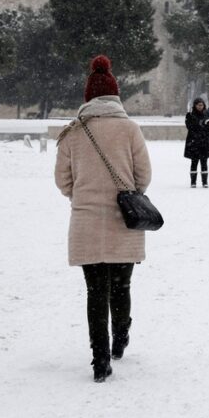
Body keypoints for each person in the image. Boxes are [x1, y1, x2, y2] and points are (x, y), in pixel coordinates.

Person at [54, 54, 151, 383]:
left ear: (88, 98)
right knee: (121, 286)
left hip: (86, 223)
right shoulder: (130, 129)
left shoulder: (73, 133)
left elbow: (62, 181)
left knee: (96, 291)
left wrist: (81, 196)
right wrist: (125, 191)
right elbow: (144, 176)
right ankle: (120, 340)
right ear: (115, 95)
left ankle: (99, 360)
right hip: (125, 220)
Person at [184, 98, 209, 187]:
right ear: (195, 105)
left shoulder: (207, 114)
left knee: (204, 162)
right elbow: (190, 126)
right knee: (194, 162)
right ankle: (193, 182)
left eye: (202, 105)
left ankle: (205, 182)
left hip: (204, 142)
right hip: (194, 143)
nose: (200, 107)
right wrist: (201, 124)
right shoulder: (190, 115)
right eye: (198, 105)